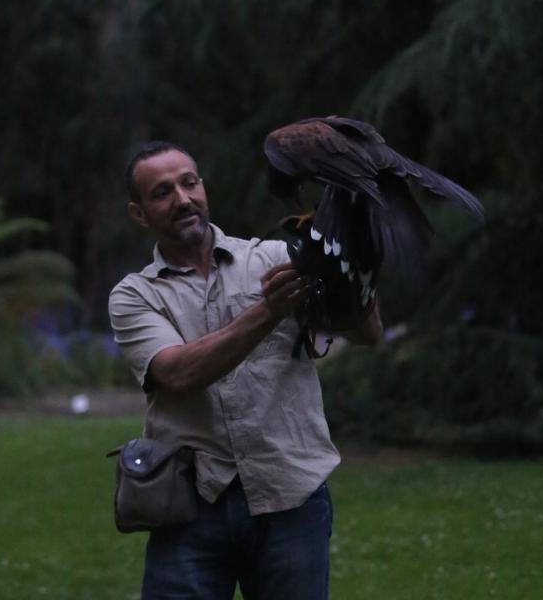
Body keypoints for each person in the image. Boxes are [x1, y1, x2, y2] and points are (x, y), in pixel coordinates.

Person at [109, 140, 382, 600]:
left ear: (202, 187)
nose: (182, 199)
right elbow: (177, 374)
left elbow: (366, 332)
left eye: (189, 183)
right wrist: (268, 312)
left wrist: (355, 262)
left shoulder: (277, 259)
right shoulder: (135, 295)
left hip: (290, 498)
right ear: (139, 213)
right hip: (190, 506)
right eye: (162, 192)